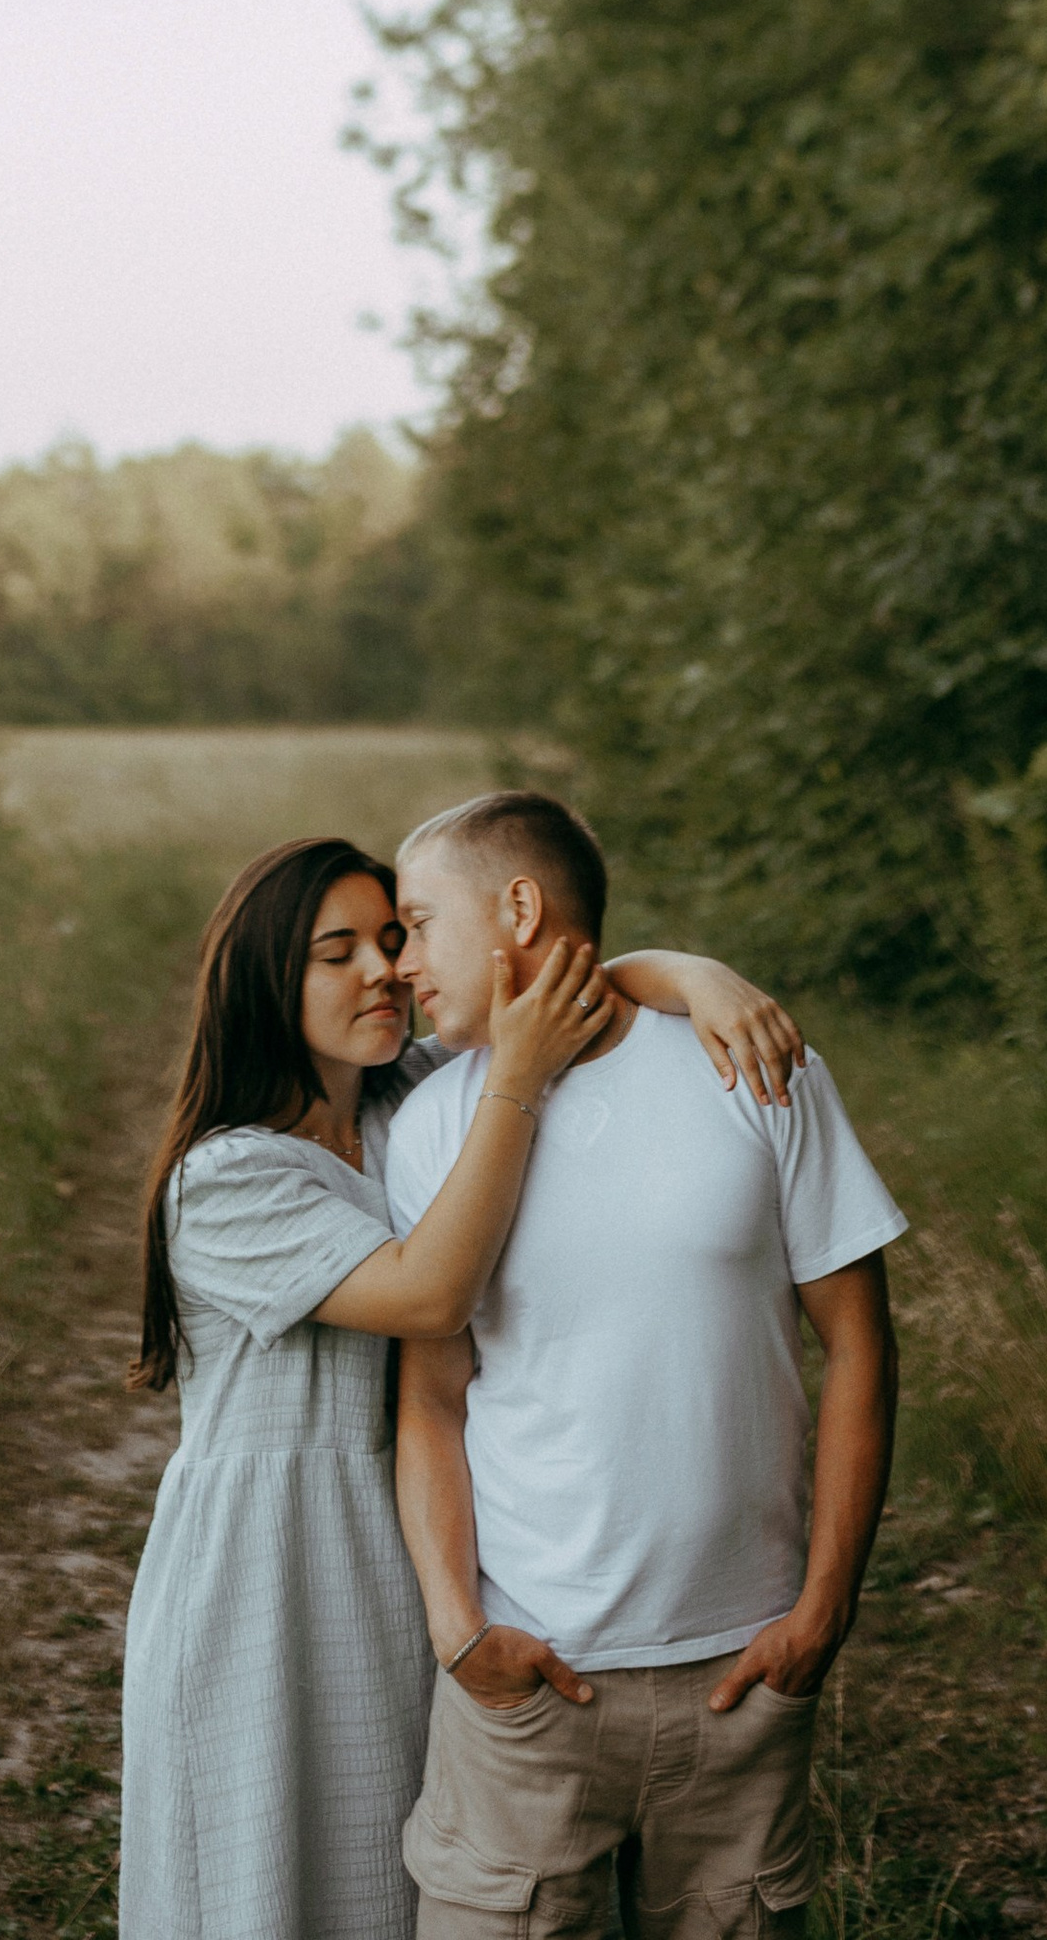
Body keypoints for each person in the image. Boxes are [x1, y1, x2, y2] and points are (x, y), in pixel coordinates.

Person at [119, 833, 809, 1940]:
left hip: (422, 1545)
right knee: (268, 1865)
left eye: (394, 939)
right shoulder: (227, 1175)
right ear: (262, 981)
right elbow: (431, 1294)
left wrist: (690, 974)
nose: (385, 971)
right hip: (274, 1559)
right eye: (335, 952)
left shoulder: (410, 1102)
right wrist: (521, 1082)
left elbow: (551, 987)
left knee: (429, 1872)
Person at [385, 791, 906, 1939]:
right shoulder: (432, 1123)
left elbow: (861, 1344)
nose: (403, 964)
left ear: (516, 907)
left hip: (740, 1681)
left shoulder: (753, 1066)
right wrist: (456, 1628)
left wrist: (824, 1610)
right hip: (524, 1689)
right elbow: (429, 1397)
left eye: (420, 924)